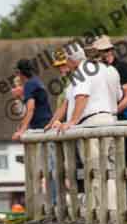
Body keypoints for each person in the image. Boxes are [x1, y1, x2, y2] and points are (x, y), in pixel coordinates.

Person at [48, 44, 121, 209]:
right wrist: (54, 121)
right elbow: (119, 95)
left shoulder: (82, 71)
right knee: (106, 168)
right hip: (109, 119)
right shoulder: (105, 70)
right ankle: (108, 208)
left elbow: (81, 97)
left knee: (95, 170)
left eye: (66, 59)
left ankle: (107, 210)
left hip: (91, 123)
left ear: (71, 59)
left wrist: (72, 121)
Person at [90, 35, 127, 207]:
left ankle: (124, 201)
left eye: (102, 51)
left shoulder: (122, 68)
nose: (100, 55)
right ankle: (110, 201)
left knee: (121, 156)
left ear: (109, 51)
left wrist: (112, 112)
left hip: (122, 114)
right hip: (109, 116)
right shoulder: (100, 71)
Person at [12, 59, 52, 140]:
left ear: (21, 72)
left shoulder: (29, 84)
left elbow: (30, 109)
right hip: (45, 123)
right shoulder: (36, 81)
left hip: (40, 126)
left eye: (17, 72)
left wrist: (22, 131)